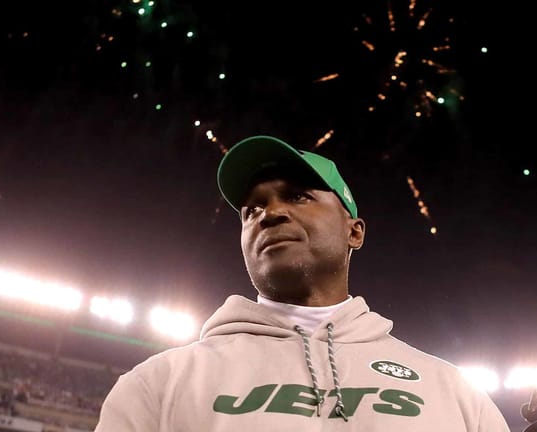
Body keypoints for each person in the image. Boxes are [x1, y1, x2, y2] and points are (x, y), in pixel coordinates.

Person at [94, 135, 511, 431]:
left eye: (297, 196)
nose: (269, 214)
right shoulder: (159, 383)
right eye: (251, 209)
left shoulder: (453, 390)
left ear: (355, 231)